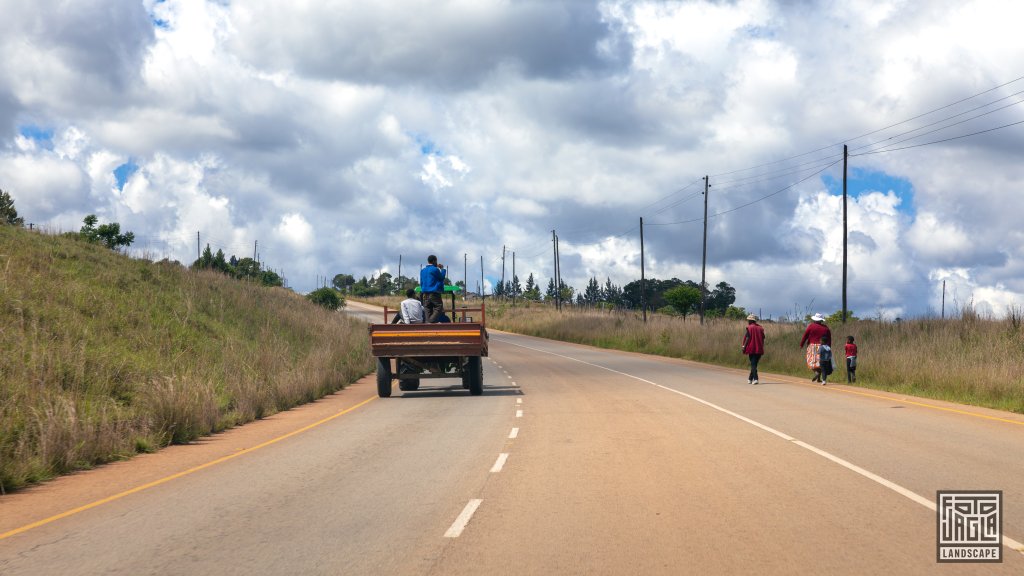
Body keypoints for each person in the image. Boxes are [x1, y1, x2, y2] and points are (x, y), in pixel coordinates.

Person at [799, 313, 832, 382]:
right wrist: (828, 347)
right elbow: (829, 339)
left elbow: (805, 336)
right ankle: (819, 378)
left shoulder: (811, 326)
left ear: (814, 320)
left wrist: (801, 344)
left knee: (811, 362)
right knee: (820, 363)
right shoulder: (826, 328)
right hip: (823, 347)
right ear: (821, 320)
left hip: (812, 346)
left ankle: (816, 373)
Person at [419, 255, 447, 323]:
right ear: (434, 261)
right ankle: (430, 321)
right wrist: (442, 269)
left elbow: (421, 282)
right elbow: (441, 277)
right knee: (439, 307)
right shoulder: (435, 269)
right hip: (434, 293)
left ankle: (428, 324)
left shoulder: (422, 270)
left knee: (428, 309)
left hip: (425, 293)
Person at [741, 313, 765, 385]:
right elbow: (763, 338)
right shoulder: (760, 328)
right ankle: (750, 378)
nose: (748, 321)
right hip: (759, 348)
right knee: (754, 364)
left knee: (753, 364)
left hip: (752, 348)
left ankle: (756, 379)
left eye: (749, 320)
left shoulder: (749, 327)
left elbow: (747, 338)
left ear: (751, 321)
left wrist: (744, 347)